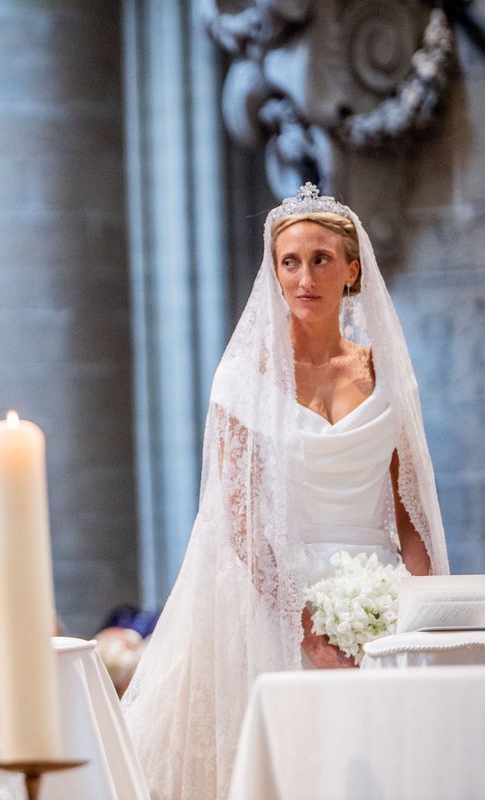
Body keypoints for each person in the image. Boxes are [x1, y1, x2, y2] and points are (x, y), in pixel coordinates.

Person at [121, 183, 450, 800]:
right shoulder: (242, 380)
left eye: (321, 260)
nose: (305, 278)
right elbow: (239, 518)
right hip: (271, 595)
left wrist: (414, 613)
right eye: (290, 262)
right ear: (274, 274)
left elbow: (410, 513)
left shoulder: (386, 374)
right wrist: (303, 626)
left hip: (379, 598)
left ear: (352, 270)